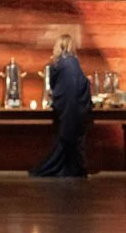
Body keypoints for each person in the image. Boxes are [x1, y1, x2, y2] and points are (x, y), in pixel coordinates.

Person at [31, 34, 93, 179]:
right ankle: (75, 169)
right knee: (74, 141)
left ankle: (57, 169)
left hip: (66, 107)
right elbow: (81, 83)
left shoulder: (59, 64)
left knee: (65, 140)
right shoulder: (74, 62)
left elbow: (55, 86)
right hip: (77, 108)